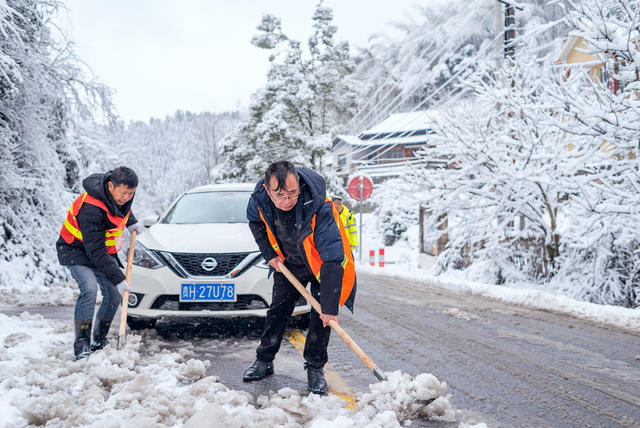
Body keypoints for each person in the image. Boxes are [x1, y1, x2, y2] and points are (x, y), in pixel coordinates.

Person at [243, 160, 356, 394]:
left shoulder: (318, 205)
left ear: (299, 185)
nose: (287, 201)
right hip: (289, 265)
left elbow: (333, 257)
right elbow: (256, 224)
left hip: (318, 265)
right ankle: (264, 360)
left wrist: (330, 307)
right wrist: (270, 254)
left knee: (320, 317)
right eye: (280, 196)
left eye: (292, 194)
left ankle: (315, 367)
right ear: (267, 190)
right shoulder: (259, 200)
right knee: (278, 311)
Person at [56, 167, 144, 360]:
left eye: (131, 194)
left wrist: (131, 222)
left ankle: (99, 338)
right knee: (89, 289)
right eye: (123, 193)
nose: (126, 198)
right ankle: (82, 343)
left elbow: (121, 209)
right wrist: (118, 278)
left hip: (101, 251)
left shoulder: (119, 196)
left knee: (113, 294)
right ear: (111, 186)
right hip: (75, 250)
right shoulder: (91, 209)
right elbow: (95, 252)